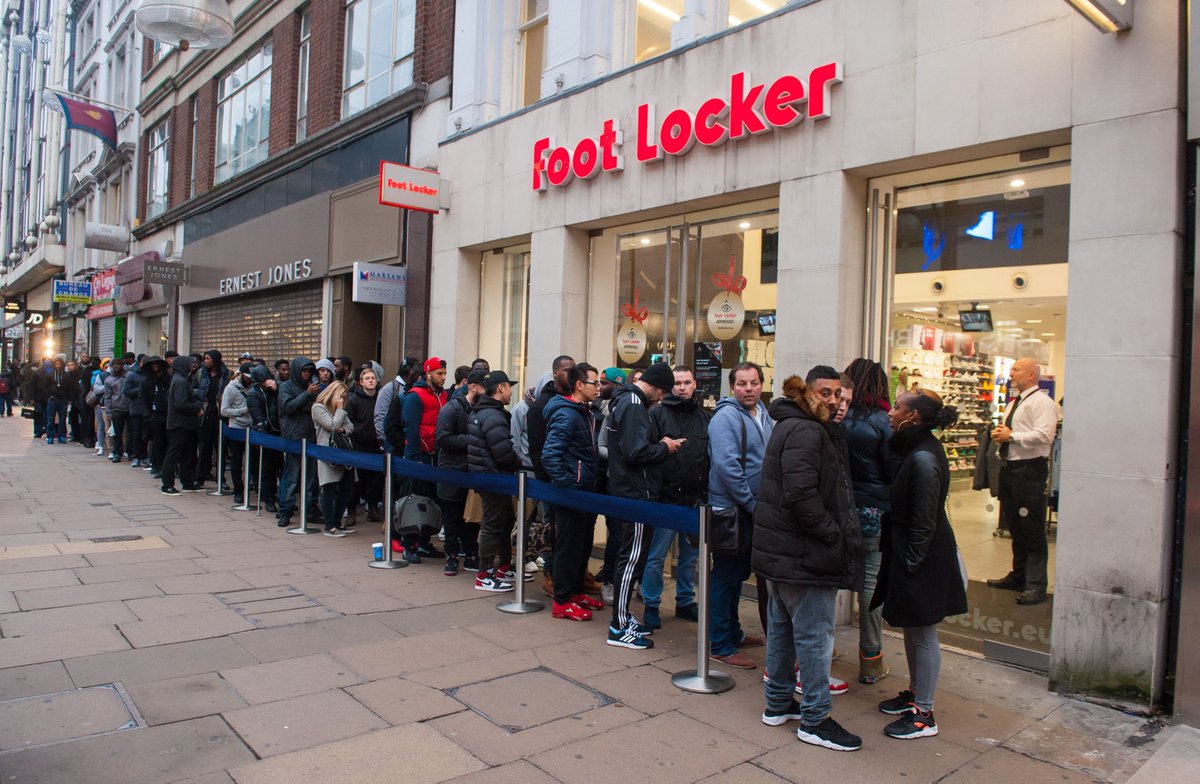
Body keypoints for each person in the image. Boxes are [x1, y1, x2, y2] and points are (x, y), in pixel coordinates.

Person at [754, 374, 863, 753]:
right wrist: (831, 533)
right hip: (804, 552)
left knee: (783, 628)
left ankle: (779, 702)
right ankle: (815, 719)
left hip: (788, 552)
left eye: (839, 394)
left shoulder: (797, 426)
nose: (834, 400)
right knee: (815, 636)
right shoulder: (807, 431)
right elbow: (801, 494)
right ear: (807, 394)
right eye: (826, 393)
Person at [873, 389, 968, 739]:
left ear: (913, 417)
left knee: (924, 631)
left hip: (922, 554)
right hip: (912, 550)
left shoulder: (924, 457)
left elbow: (925, 519)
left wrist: (912, 563)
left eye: (897, 408)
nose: (890, 413)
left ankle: (924, 714)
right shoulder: (916, 448)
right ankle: (915, 694)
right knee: (913, 628)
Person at [605, 361, 680, 649]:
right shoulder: (634, 404)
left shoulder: (626, 399)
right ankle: (619, 624)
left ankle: (622, 618)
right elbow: (635, 452)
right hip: (635, 492)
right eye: (662, 393)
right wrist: (665, 447)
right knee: (631, 558)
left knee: (630, 556)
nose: (661, 399)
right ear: (657, 387)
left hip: (630, 490)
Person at [707, 362, 773, 668]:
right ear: (732, 387)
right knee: (725, 577)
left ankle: (732, 632)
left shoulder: (763, 414)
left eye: (754, 383)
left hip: (751, 509)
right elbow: (727, 467)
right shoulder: (725, 417)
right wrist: (751, 504)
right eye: (743, 384)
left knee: (737, 576)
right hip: (731, 510)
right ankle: (720, 644)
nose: (749, 389)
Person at [842, 358, 898, 684]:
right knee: (870, 585)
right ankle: (871, 658)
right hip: (875, 512)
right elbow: (892, 469)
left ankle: (823, 646)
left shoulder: (835, 417)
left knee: (829, 580)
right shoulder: (883, 421)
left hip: (841, 510)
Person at [986, 358, 1060, 606]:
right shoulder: (1014, 403)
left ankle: (1036, 585)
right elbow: (1013, 434)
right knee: (1015, 526)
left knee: (1031, 527)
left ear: (1031, 375)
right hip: (1010, 470)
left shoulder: (1043, 403)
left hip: (1029, 471)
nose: (1011, 373)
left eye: (1016, 369)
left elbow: (1045, 436)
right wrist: (1001, 437)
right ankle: (1018, 576)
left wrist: (1012, 436)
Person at [643, 365, 710, 626]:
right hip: (665, 497)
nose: (682, 387)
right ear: (670, 386)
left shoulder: (705, 416)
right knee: (656, 556)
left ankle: (684, 601)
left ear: (695, 385)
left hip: (694, 498)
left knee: (689, 556)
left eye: (687, 382)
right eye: (677, 383)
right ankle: (651, 603)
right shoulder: (656, 413)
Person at [542, 363, 606, 621]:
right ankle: (562, 600)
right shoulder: (567, 414)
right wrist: (568, 483)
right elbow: (550, 455)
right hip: (570, 493)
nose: (598, 388)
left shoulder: (585, 413)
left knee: (579, 545)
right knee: (568, 547)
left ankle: (575, 591)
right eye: (594, 383)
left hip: (583, 491)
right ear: (579, 385)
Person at [468, 370, 522, 592]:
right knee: (492, 523)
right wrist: (519, 465)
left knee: (504, 519)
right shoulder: (493, 415)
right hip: (493, 477)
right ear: (501, 388)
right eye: (509, 387)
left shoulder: (485, 412)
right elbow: (503, 452)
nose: (511, 392)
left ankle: (502, 568)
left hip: (488, 476)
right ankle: (485, 574)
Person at [436, 368, 486, 575]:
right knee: (452, 516)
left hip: (473, 471)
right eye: (484, 386)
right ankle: (452, 555)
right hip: (451, 471)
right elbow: (443, 439)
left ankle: (471, 554)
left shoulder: (484, 409)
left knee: (472, 518)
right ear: (473, 387)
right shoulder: (451, 409)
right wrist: (473, 441)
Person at [593, 367, 626, 605]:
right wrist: (619, 458)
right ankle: (610, 579)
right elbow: (601, 445)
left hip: (633, 485)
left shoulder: (639, 411)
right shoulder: (606, 412)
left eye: (604, 382)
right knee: (616, 532)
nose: (600, 387)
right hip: (611, 480)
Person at [277, 356, 321, 527]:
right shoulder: (286, 386)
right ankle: (285, 510)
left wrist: (305, 402)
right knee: (292, 476)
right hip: (294, 436)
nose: (307, 374)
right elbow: (288, 408)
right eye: (304, 370)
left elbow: (316, 407)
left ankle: (310, 509)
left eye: (309, 371)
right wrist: (306, 395)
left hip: (311, 435)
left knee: (311, 477)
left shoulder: (313, 386)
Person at [312, 381, 356, 537]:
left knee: (347, 489)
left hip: (344, 452)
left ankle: (338, 522)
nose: (343, 401)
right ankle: (329, 525)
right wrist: (339, 411)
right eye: (341, 397)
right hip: (328, 454)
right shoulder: (318, 407)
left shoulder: (340, 410)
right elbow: (331, 425)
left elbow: (350, 427)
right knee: (329, 488)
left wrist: (340, 426)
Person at [346, 362, 385, 526]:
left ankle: (373, 508)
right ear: (361, 382)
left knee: (376, 481)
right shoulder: (354, 399)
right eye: (367, 378)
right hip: (359, 445)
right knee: (357, 482)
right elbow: (349, 421)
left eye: (373, 378)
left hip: (376, 445)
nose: (370, 381)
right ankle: (352, 512)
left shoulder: (381, 398)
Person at [161, 355, 204, 494]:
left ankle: (188, 482)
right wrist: (197, 406)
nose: (193, 366)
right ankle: (167, 484)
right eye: (190, 363)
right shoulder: (180, 381)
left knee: (187, 455)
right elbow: (180, 403)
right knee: (174, 454)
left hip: (185, 423)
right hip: (180, 424)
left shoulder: (182, 379)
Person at [246, 364, 283, 513]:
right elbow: (257, 415)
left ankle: (281, 496)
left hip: (279, 433)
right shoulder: (253, 394)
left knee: (281, 466)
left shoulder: (275, 389)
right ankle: (268, 498)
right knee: (268, 468)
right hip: (266, 434)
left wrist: (277, 389)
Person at [221, 363, 256, 503]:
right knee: (236, 460)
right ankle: (238, 489)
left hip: (252, 428)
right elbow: (224, 410)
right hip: (236, 427)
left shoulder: (255, 387)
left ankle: (252, 486)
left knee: (252, 460)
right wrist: (242, 411)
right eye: (247, 377)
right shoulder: (230, 388)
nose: (249, 380)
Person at [375, 355, 418, 452]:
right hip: (392, 443)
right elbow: (380, 414)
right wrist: (382, 439)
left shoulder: (414, 388)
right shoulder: (390, 388)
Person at [39, 355, 78, 445]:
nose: (58, 366)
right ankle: (50, 435)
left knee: (62, 418)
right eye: (56, 364)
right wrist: (50, 394)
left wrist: (68, 397)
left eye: (59, 364)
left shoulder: (66, 376)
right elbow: (45, 386)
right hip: (53, 398)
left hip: (63, 398)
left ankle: (62, 435)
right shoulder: (50, 375)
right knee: (50, 418)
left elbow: (70, 387)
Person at [142, 357, 171, 477]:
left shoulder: (167, 380)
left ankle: (163, 465)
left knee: (166, 441)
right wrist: (147, 414)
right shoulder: (147, 382)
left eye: (157, 364)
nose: (155, 366)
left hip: (166, 414)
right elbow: (142, 398)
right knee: (157, 441)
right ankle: (157, 465)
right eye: (152, 365)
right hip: (153, 415)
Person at [102, 359, 132, 462]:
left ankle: (130, 452)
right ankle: (117, 452)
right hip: (117, 409)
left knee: (131, 432)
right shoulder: (109, 380)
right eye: (114, 365)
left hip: (130, 408)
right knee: (117, 433)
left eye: (118, 364)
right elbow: (107, 397)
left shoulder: (129, 376)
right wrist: (109, 411)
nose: (116, 366)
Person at [123, 356, 149, 466]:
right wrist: (141, 391)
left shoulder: (152, 376)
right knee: (136, 434)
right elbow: (127, 391)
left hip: (150, 409)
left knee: (147, 435)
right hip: (137, 409)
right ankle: (137, 456)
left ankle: (146, 456)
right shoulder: (133, 375)